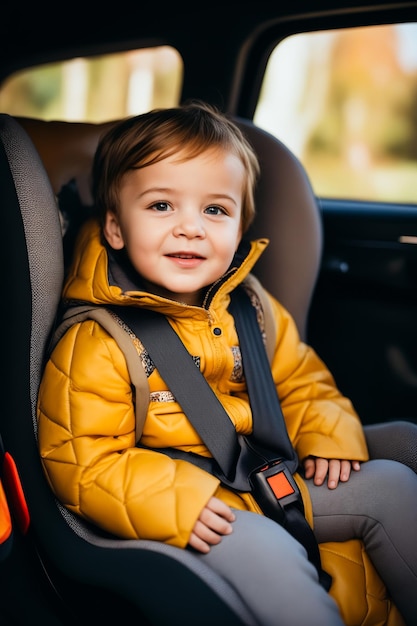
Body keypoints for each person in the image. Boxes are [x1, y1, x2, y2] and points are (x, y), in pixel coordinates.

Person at [37, 101, 417, 625]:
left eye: (214, 210)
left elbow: (302, 379)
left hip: (268, 475)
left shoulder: (251, 307)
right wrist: (176, 501)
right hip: (191, 501)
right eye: (161, 206)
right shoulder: (98, 340)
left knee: (395, 485)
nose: (190, 228)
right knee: (267, 551)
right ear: (116, 228)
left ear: (239, 229)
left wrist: (329, 435)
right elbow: (82, 460)